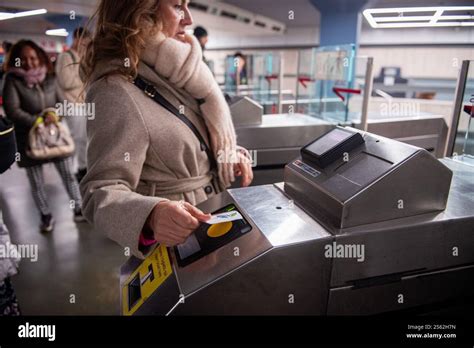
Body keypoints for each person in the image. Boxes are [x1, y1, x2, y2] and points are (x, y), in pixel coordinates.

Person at [80, 0, 253, 259]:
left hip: (210, 226)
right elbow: (99, 192)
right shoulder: (115, 90)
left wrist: (226, 153)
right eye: (177, 6)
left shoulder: (176, 72)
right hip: (176, 243)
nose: (189, 19)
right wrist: (152, 214)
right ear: (141, 12)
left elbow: (187, 135)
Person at [3, 40, 84, 232]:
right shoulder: (12, 81)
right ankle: (46, 216)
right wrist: (37, 121)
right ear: (15, 60)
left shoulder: (50, 77)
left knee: (68, 175)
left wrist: (54, 114)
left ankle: (79, 208)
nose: (29, 62)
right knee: (37, 182)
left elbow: (60, 102)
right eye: (23, 59)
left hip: (55, 136)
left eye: (32, 57)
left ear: (39, 57)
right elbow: (12, 110)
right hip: (29, 139)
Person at [56, 27, 91, 183]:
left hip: (84, 103)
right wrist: (84, 78)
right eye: (83, 41)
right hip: (72, 104)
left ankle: (82, 169)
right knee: (76, 140)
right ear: (76, 39)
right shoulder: (66, 57)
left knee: (85, 138)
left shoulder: (83, 57)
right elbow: (66, 81)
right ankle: (73, 173)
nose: (85, 44)